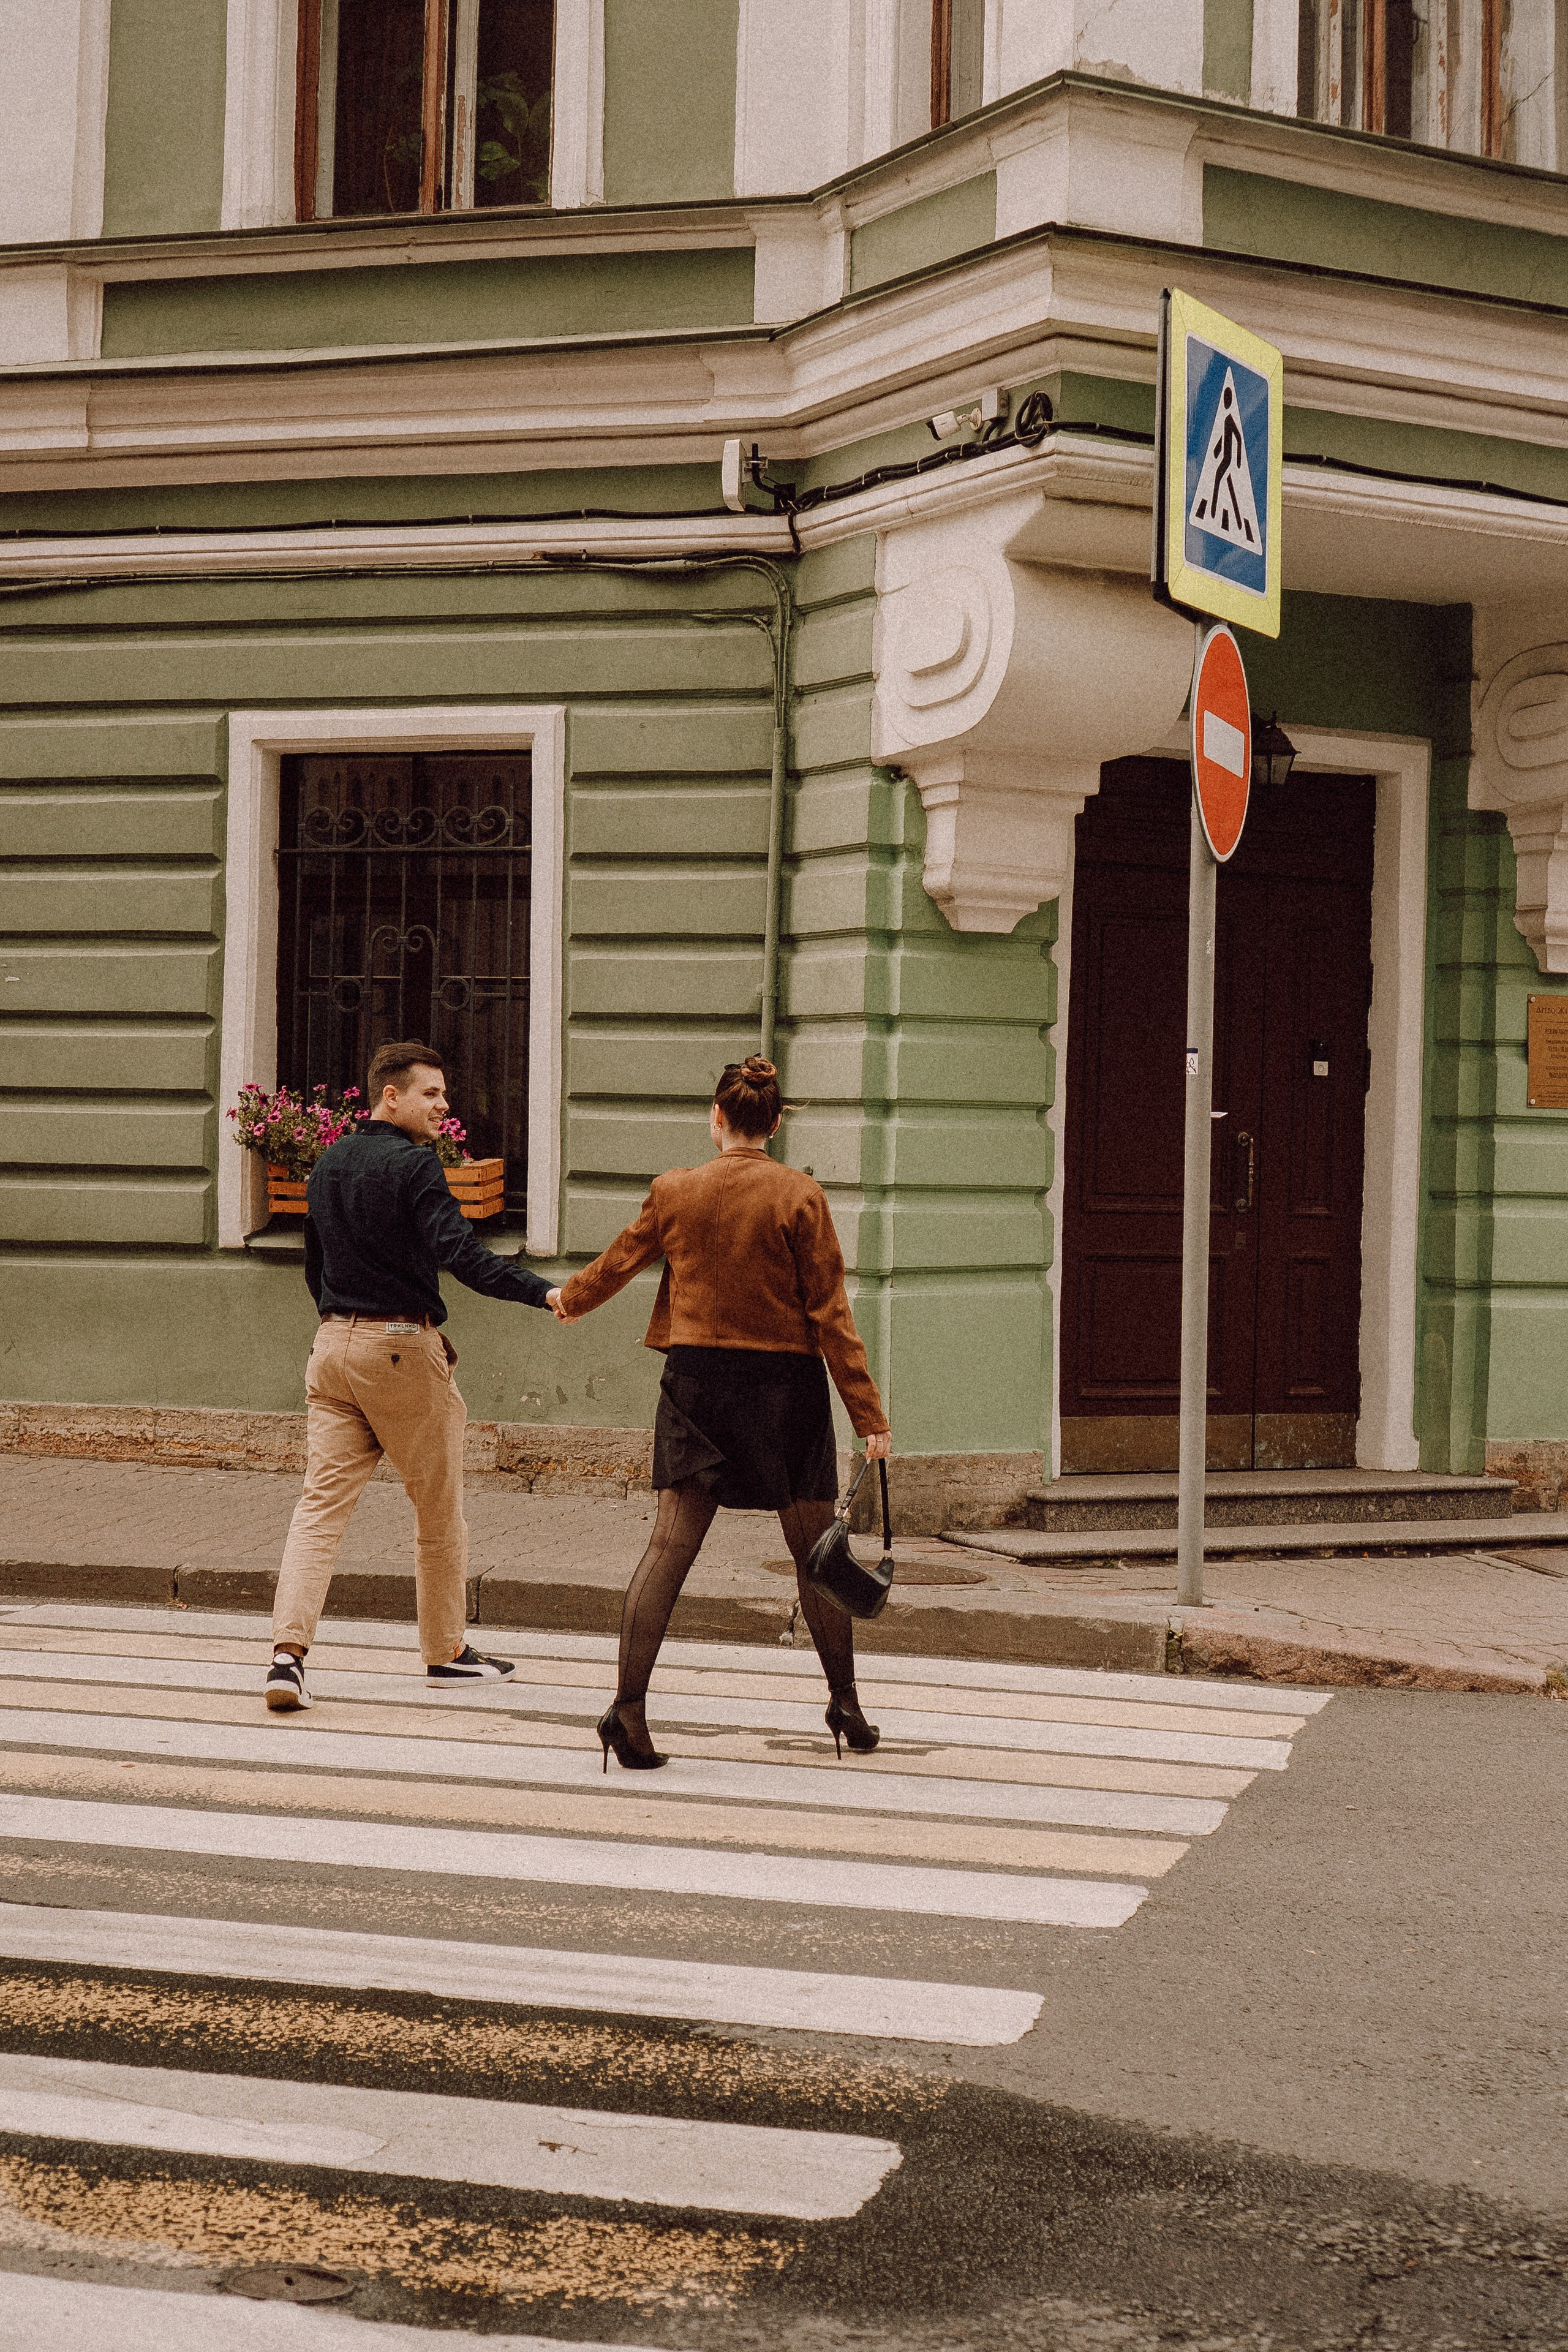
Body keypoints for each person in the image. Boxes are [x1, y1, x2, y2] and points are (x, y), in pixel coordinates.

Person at [550, 1055, 892, 1769]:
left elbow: (619, 1261)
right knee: (816, 1557)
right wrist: (869, 1418)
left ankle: (628, 1712)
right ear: (774, 1125)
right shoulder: (799, 1196)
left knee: (669, 1547)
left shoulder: (675, 1190)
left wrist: (569, 1300)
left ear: (716, 1118)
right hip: (784, 1391)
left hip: (696, 1382)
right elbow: (830, 1313)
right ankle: (846, 1705)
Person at [265, 1040, 557, 1711]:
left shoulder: (330, 1162)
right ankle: (446, 1652)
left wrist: (345, 1327)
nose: (443, 1104)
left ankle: (287, 1658)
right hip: (399, 1348)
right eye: (430, 1093)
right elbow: (462, 1255)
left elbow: (316, 1266)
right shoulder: (416, 1165)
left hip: (331, 1348)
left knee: (318, 1510)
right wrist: (542, 1293)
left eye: (443, 1094)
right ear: (389, 1097)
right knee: (437, 1509)